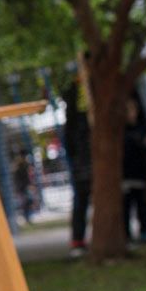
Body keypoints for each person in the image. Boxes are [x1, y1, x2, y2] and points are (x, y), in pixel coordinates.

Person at [62, 78, 91, 256]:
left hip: (83, 156)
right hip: (82, 159)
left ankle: (79, 240)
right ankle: (78, 240)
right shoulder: (79, 90)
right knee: (81, 200)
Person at [122, 96, 146, 242]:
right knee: (126, 207)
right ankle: (126, 235)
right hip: (127, 175)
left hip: (141, 174)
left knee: (143, 206)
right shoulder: (122, 132)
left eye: (133, 110)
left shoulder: (143, 128)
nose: (131, 114)